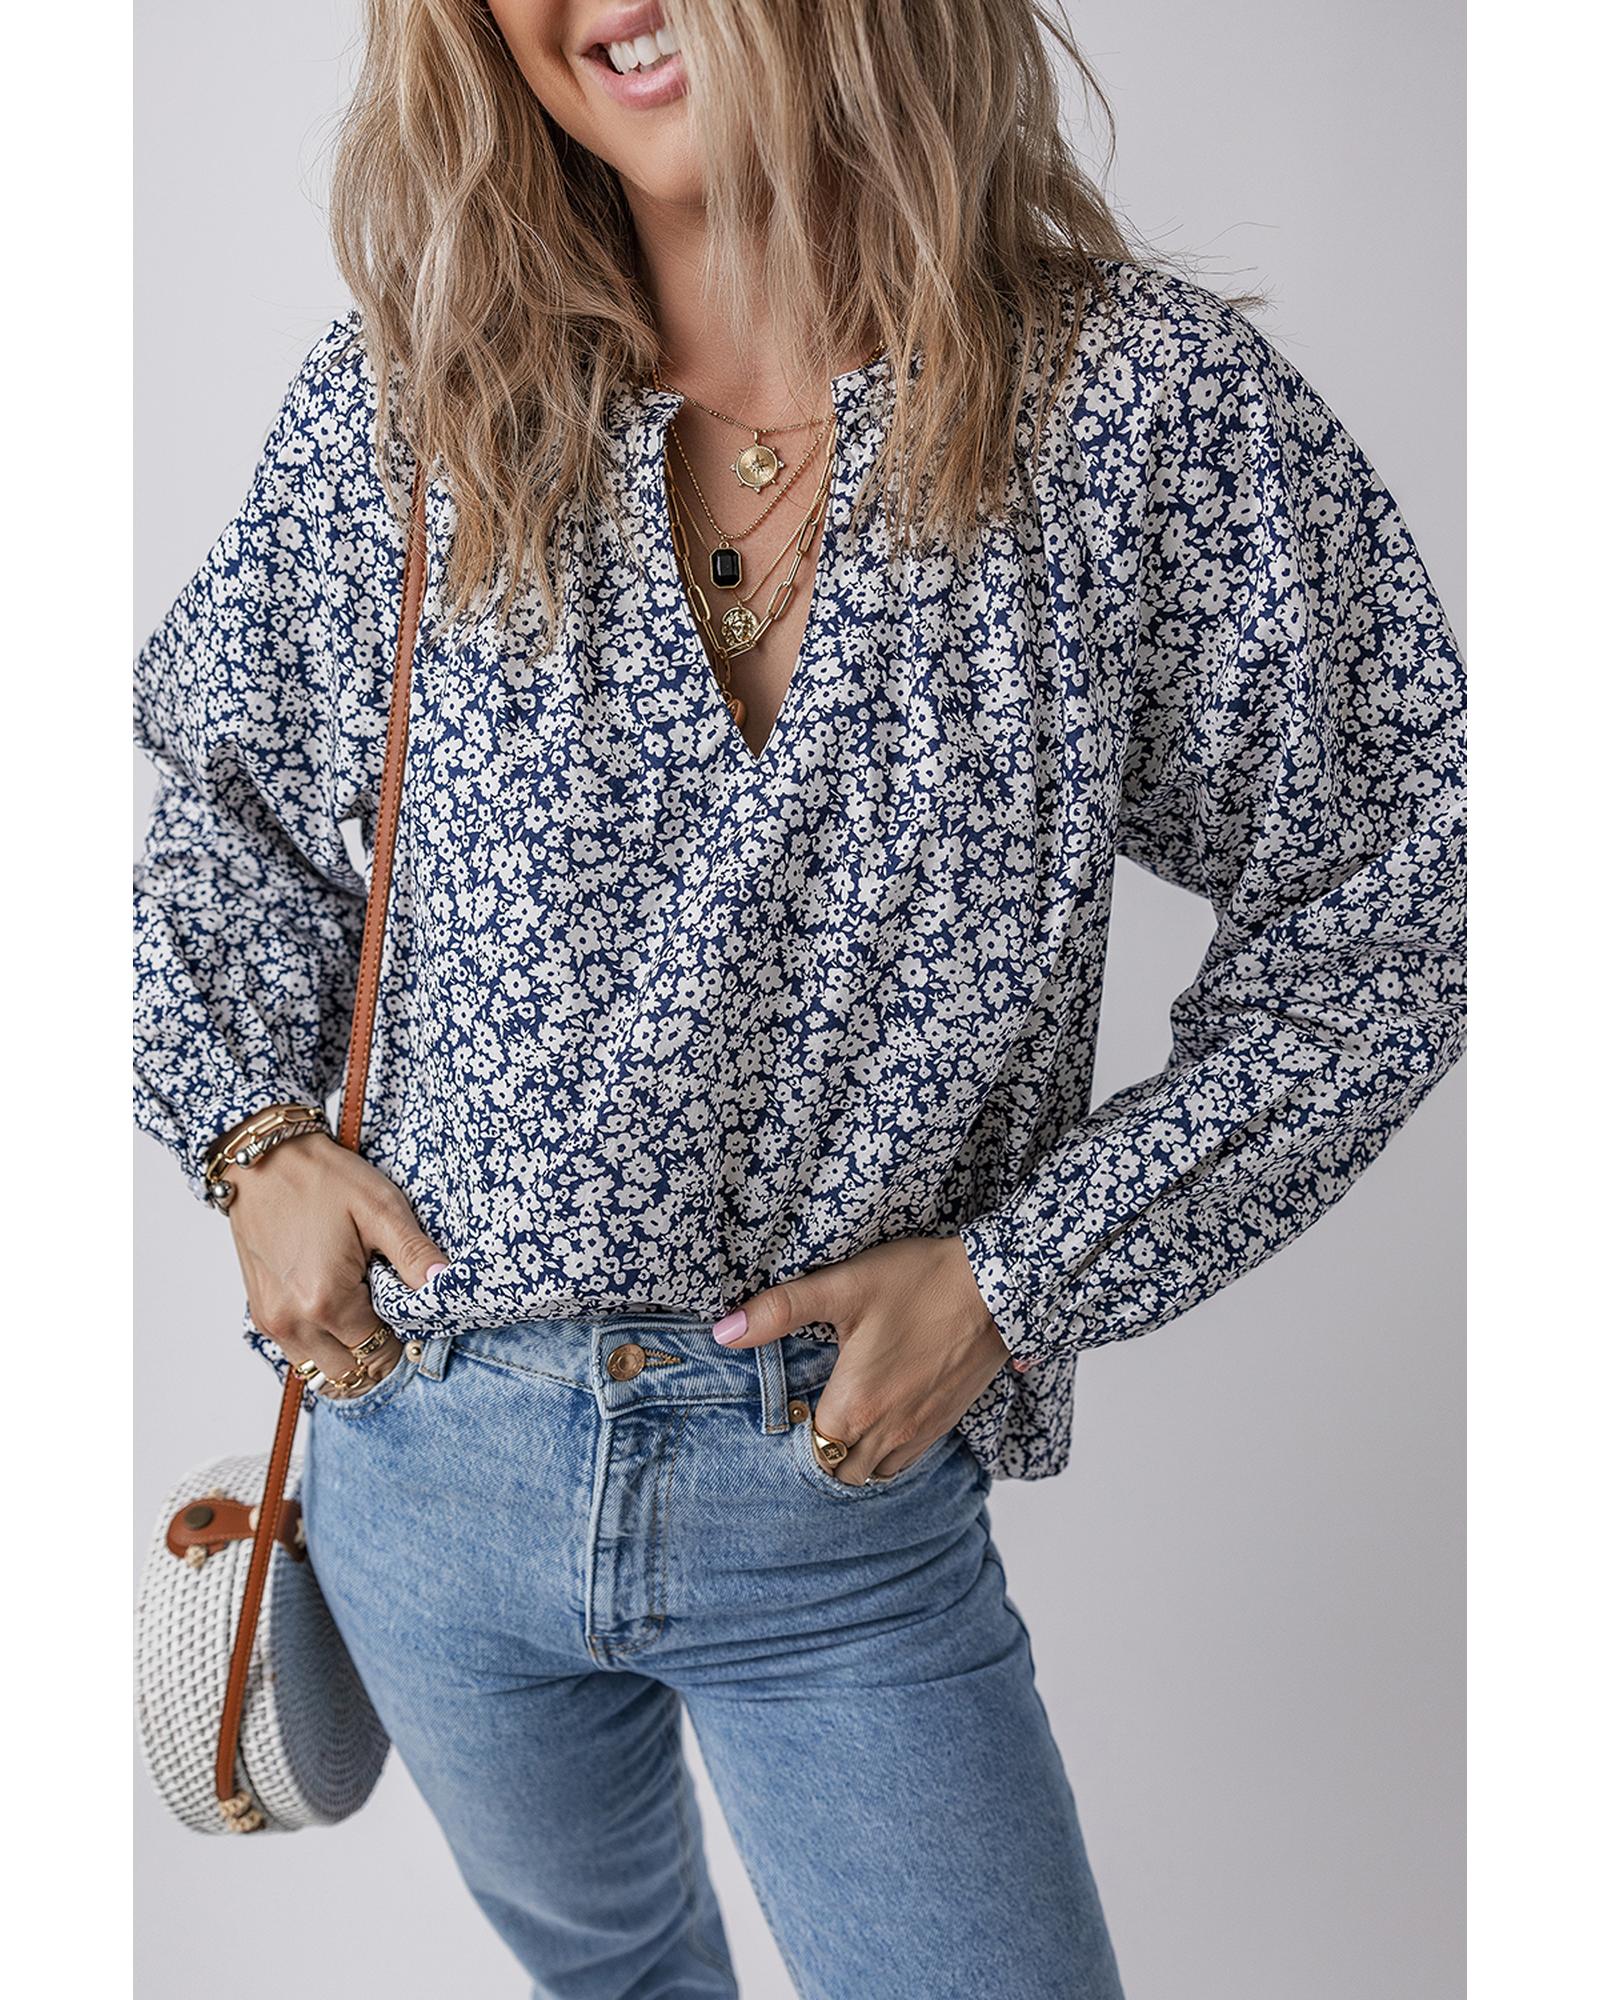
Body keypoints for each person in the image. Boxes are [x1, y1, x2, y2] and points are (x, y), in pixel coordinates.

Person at [131, 3, 1466, 1995]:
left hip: (831, 1501)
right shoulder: (411, 408)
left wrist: (1017, 1277)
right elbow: (226, 809)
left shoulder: (1134, 417)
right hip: (425, 1454)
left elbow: (1404, 900)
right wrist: (251, 1140)